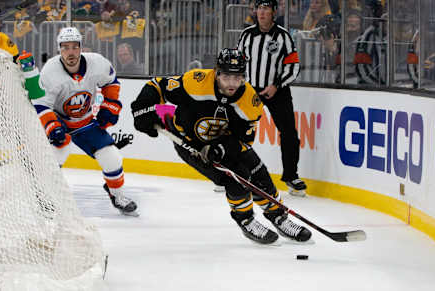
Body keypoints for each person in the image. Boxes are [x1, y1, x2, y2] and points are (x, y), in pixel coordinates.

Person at [130, 48, 311, 244]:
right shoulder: (195, 82)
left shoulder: (250, 102)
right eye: (226, 77)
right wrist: (142, 108)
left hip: (227, 143)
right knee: (235, 178)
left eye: (238, 77)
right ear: (217, 73)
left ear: (244, 76)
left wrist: (221, 149)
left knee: (258, 171)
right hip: (191, 144)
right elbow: (157, 85)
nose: (232, 83)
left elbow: (243, 141)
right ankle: (246, 220)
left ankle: (278, 216)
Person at [32, 27, 138, 216]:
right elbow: (41, 105)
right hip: (60, 121)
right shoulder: (50, 70)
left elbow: (111, 81)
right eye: (65, 47)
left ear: (81, 47)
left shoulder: (96, 63)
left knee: (112, 158)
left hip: (85, 121)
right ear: (59, 49)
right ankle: (43, 196)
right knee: (58, 154)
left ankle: (117, 195)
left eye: (74, 47)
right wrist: (52, 126)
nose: (70, 52)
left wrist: (110, 105)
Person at [237, 0, 307, 196]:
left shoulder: (284, 36)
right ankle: (237, 173)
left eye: (266, 8)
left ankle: (291, 176)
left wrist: (276, 85)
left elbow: (293, 67)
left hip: (278, 91)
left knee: (289, 133)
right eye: (259, 8)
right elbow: (239, 62)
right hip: (250, 91)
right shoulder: (247, 35)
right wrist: (242, 86)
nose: (261, 12)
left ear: (274, 12)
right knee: (239, 131)